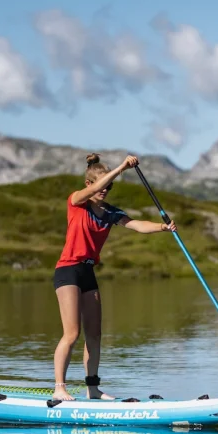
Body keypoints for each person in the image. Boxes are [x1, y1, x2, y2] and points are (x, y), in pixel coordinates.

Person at [52, 154, 177, 402]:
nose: (105, 190)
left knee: (95, 335)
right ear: (89, 185)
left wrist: (163, 227)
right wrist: (121, 167)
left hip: (88, 272)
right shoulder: (77, 202)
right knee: (72, 334)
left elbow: (137, 225)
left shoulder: (109, 213)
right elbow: (97, 186)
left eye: (110, 188)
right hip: (68, 270)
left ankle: (93, 388)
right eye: (102, 186)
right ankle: (59, 387)